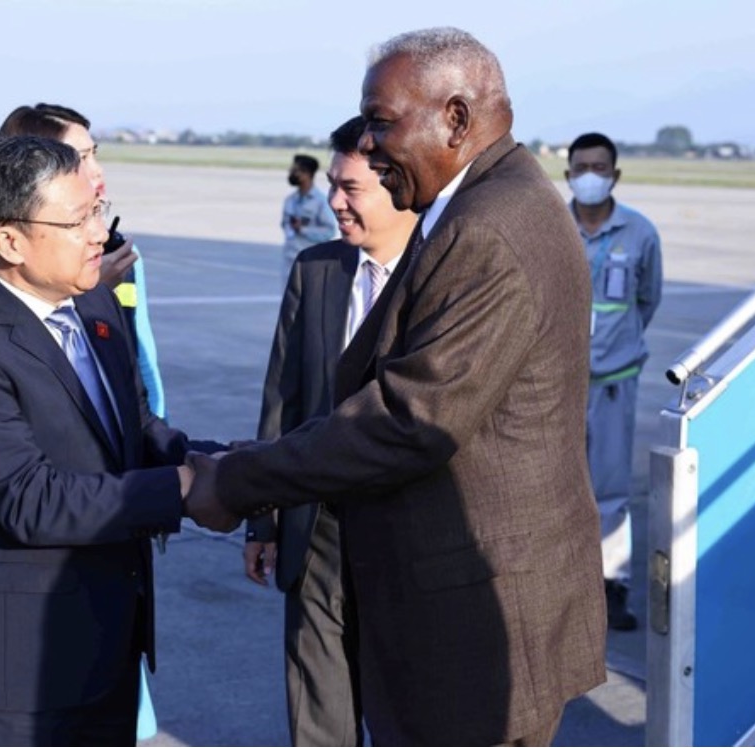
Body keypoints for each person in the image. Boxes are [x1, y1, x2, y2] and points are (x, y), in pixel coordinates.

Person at [186, 27, 607, 745]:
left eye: (382, 122)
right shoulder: (486, 205)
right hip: (472, 609)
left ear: (456, 118)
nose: (371, 145)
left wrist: (234, 482)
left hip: (472, 629)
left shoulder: (489, 228)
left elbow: (409, 421)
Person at [0, 135, 224, 745]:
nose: (99, 235)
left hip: (106, 658)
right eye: (77, 220)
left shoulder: (94, 306)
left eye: (99, 212)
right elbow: (32, 500)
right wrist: (184, 490)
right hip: (14, 679)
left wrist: (245, 464)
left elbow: (138, 435)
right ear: (9, 241)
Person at [245, 115, 416, 746]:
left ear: (397, 185)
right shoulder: (316, 271)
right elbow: (281, 402)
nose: (334, 203)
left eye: (350, 189)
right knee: (318, 715)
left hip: (407, 540)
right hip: (316, 529)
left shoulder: (441, 273)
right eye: (333, 186)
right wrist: (261, 516)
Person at [0, 102, 167, 418]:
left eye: (94, 154)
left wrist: (158, 431)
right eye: (79, 158)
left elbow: (141, 354)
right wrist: (91, 289)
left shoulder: (114, 248)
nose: (96, 170)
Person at [565, 132, 663, 632]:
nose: (590, 176)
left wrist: (617, 346)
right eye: (582, 167)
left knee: (610, 486)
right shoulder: (552, 228)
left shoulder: (640, 234)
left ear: (615, 175)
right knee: (555, 483)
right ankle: (560, 583)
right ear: (567, 176)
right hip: (558, 382)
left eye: (599, 168)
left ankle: (611, 584)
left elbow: (647, 300)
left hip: (613, 379)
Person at [280, 153, 337, 284]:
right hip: (290, 259)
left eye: (295, 171)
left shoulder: (320, 202)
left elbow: (329, 231)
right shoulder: (290, 200)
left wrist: (303, 230)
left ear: (307, 174)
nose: (291, 173)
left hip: (310, 262)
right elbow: (285, 225)